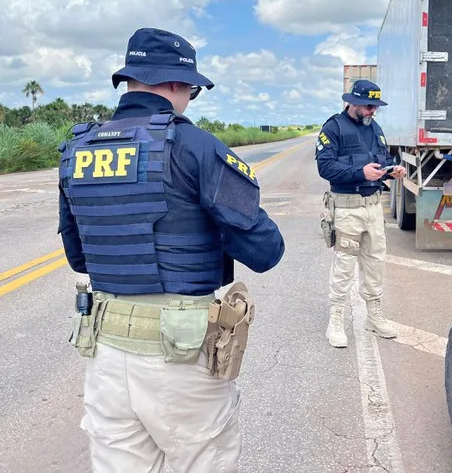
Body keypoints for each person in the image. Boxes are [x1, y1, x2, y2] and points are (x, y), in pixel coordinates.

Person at [57, 27, 285, 473]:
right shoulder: (195, 146)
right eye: (193, 90)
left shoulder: (77, 149)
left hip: (105, 355)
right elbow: (266, 251)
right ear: (179, 85)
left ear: (130, 80)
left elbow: (78, 256)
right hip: (180, 359)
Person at [315, 79, 406, 348]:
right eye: (368, 106)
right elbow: (325, 167)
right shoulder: (333, 128)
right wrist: (359, 172)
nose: (372, 111)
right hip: (346, 208)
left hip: (373, 207)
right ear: (352, 102)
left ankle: (374, 316)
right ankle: (336, 319)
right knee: (344, 265)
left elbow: (384, 160)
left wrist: (394, 169)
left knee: (375, 263)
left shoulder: (374, 129)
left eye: (375, 107)